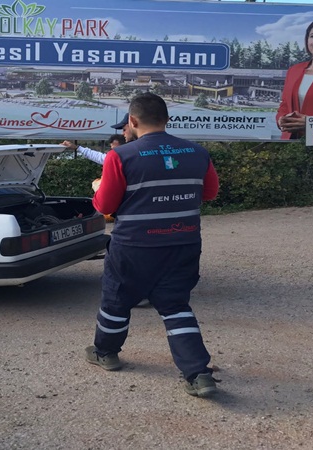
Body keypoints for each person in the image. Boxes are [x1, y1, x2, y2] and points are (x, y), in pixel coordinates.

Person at [84, 92, 221, 398]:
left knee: (116, 301)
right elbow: (210, 193)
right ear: (167, 119)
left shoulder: (120, 156)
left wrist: (99, 190)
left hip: (134, 246)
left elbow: (104, 205)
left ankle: (105, 353)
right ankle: (198, 374)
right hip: (184, 242)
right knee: (176, 306)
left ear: (132, 121)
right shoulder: (198, 152)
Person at [60, 134, 126, 165]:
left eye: (115, 149)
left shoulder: (127, 159)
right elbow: (97, 156)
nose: (112, 151)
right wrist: (77, 148)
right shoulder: (111, 158)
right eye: (111, 148)